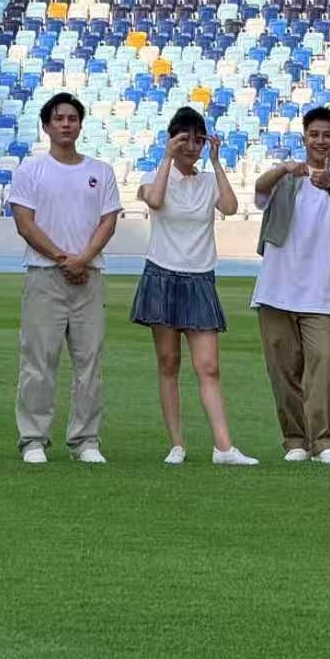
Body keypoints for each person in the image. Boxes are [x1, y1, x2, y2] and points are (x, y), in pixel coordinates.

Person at [131, 106, 255, 466]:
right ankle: (177, 444)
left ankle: (224, 447)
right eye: (184, 139)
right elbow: (154, 200)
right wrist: (166, 158)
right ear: (171, 140)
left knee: (209, 366)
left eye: (197, 140)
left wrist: (216, 162)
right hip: (162, 275)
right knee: (168, 363)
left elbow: (230, 206)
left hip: (200, 277)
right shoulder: (154, 177)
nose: (191, 147)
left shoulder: (208, 181)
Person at [8, 92, 122, 465]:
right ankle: (33, 439)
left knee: (89, 362)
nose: (66, 124)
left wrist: (83, 259)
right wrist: (62, 258)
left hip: (89, 276)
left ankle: (85, 440)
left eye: (72, 118)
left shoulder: (100, 171)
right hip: (45, 275)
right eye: (59, 119)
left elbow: (108, 221)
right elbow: (25, 224)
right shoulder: (30, 171)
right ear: (46, 126)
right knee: (38, 360)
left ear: (80, 124)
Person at [250, 105, 330, 466]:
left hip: (319, 292)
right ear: (304, 138)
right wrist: (284, 168)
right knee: (282, 369)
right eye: (314, 134)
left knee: (322, 364)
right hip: (275, 289)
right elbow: (259, 191)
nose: (320, 141)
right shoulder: (285, 176)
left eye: (328, 135)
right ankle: (295, 439)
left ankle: (324, 441)